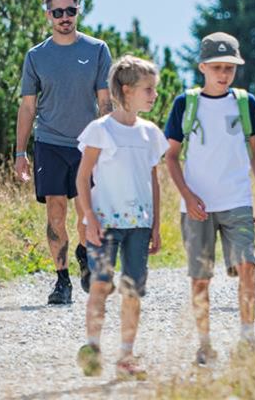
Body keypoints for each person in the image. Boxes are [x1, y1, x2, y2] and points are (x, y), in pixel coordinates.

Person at [163, 32, 255, 366]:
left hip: (237, 199)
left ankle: (247, 338)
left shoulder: (244, 102)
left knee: (248, 266)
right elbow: (170, 157)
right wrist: (187, 195)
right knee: (200, 277)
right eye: (216, 67)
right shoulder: (185, 103)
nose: (223, 74)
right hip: (197, 207)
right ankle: (205, 343)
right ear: (202, 67)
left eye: (229, 67)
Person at [12, 0, 113, 306]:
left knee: (86, 214)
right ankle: (61, 280)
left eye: (70, 10)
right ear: (48, 16)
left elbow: (105, 101)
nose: (65, 17)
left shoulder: (97, 50)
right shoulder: (37, 56)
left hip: (87, 146)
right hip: (49, 143)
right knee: (56, 213)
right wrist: (20, 153)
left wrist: (108, 144)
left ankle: (85, 254)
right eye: (58, 12)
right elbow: (28, 107)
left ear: (78, 12)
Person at [74, 55, 166, 379]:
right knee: (100, 284)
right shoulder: (100, 130)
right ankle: (93, 348)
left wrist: (156, 225)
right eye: (148, 89)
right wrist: (89, 217)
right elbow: (82, 178)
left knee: (132, 290)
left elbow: (153, 181)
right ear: (126, 90)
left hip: (139, 227)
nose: (154, 95)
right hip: (104, 224)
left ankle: (126, 357)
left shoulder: (151, 133)